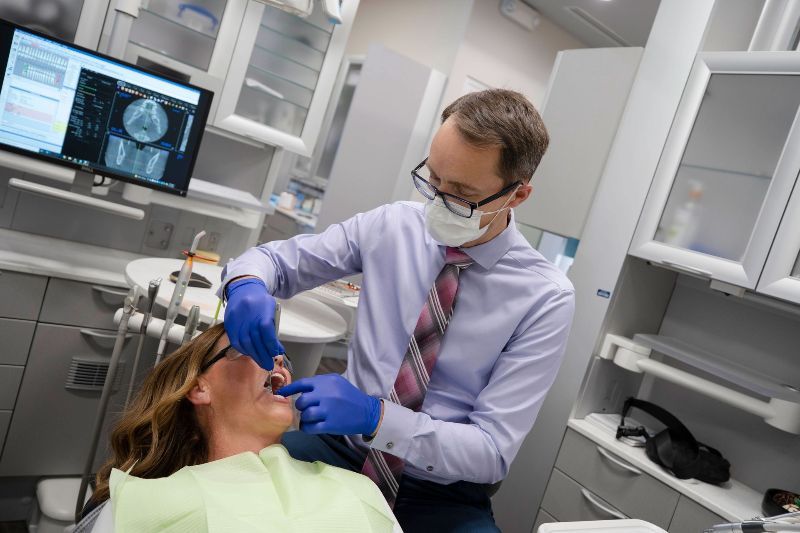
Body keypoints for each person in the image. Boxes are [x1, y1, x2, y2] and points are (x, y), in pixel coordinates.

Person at [221, 89, 576, 531]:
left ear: (517, 195)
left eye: (462, 193)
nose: (438, 201)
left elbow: (491, 452)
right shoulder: (392, 226)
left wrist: (377, 418)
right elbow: (276, 261)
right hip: (339, 452)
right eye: (433, 179)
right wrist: (245, 284)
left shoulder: (545, 297)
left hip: (441, 495)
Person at [77, 323, 401, 532]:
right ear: (199, 388)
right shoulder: (147, 504)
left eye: (280, 357)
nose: (278, 362)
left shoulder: (359, 490)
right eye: (250, 348)